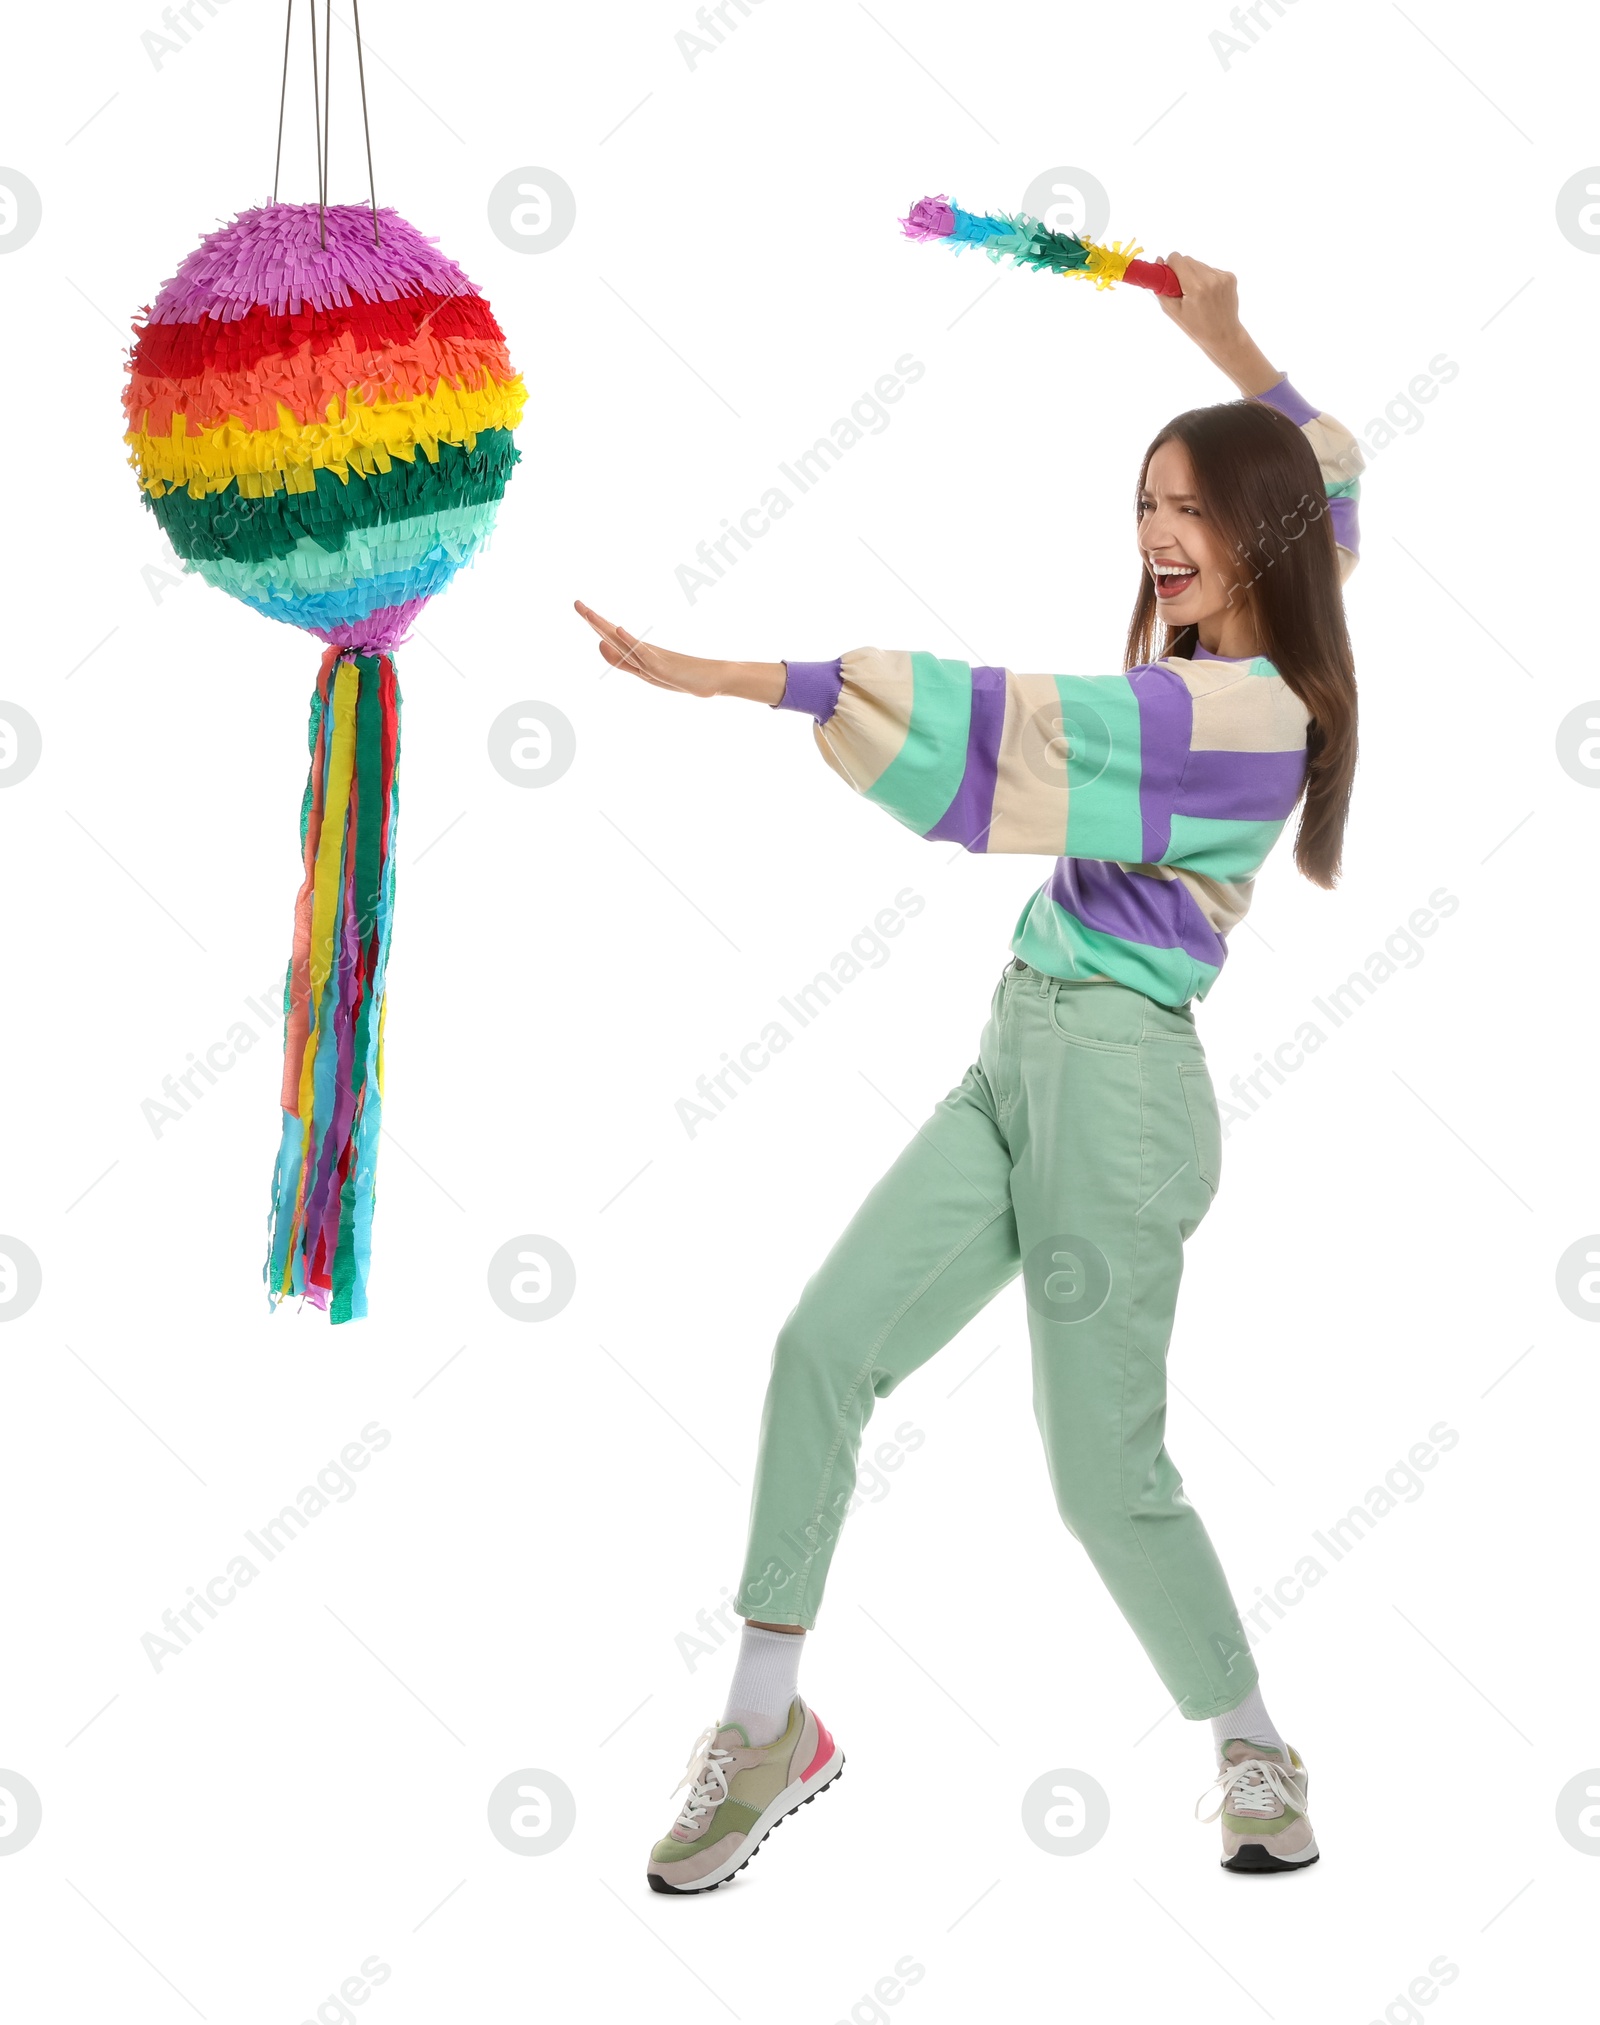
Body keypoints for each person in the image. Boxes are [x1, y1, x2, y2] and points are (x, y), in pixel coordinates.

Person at [576, 251, 1363, 1889]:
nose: (1161, 533)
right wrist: (1223, 339)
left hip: (1120, 1096)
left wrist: (748, 679)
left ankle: (1255, 1753)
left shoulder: (1235, 714)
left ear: (1255, 541)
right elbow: (1333, 475)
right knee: (821, 1345)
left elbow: (1005, 726)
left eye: (1195, 511)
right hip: (1019, 1048)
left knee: (1100, 1474)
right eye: (1150, 498)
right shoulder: (1258, 624)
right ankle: (770, 1725)